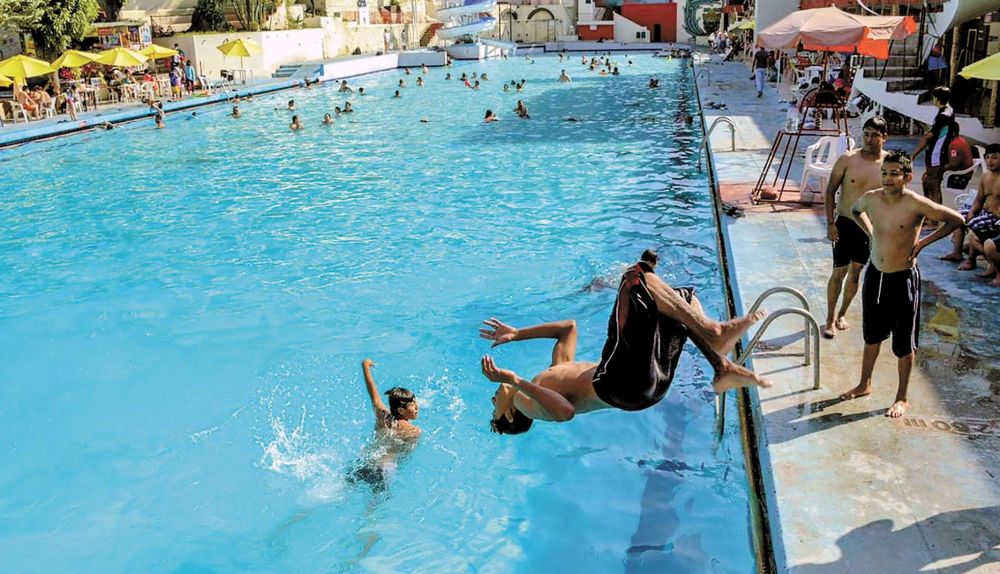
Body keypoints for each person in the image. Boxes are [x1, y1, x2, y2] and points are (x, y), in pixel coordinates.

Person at [481, 250, 770, 435]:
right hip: (618, 384)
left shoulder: (552, 375)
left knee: (680, 301)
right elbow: (565, 412)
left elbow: (568, 329)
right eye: (495, 408)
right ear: (509, 415)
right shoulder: (524, 403)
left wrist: (516, 334)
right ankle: (713, 334)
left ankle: (720, 365)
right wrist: (513, 380)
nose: (494, 400)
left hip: (641, 386)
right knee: (635, 278)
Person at [843, 150, 963, 417]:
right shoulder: (871, 199)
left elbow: (957, 220)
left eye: (894, 174)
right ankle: (864, 384)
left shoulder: (915, 203)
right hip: (876, 275)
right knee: (872, 335)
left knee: (904, 342)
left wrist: (923, 243)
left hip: (903, 278)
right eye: (884, 173)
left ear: (907, 177)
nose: (888, 178)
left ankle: (902, 397)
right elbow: (855, 210)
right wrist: (870, 233)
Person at [822, 117, 889, 339]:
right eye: (866, 134)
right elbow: (830, 191)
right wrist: (830, 223)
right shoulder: (847, 160)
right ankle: (829, 318)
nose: (869, 139)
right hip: (845, 222)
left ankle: (842, 313)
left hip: (870, 227)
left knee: (856, 271)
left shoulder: (888, 165)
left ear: (884, 138)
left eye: (875, 135)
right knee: (838, 271)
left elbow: (894, 197)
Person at [347, 359, 420, 493]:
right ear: (401, 410)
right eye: (412, 404)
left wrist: (365, 366)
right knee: (375, 502)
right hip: (384, 468)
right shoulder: (413, 431)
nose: (417, 407)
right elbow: (405, 454)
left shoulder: (382, 416)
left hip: (365, 462)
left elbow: (373, 393)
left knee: (343, 489)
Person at [952, 144, 1000, 281]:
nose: (990, 161)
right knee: (957, 217)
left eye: (994, 158)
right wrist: (972, 212)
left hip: (996, 217)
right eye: (987, 158)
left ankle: (975, 260)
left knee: (975, 227)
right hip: (985, 212)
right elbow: (979, 199)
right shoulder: (985, 176)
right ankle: (956, 252)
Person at [911, 86, 954, 206]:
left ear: (937, 98)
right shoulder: (949, 110)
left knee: (933, 184)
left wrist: (913, 155)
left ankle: (935, 214)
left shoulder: (943, 115)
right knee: (926, 180)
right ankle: (930, 209)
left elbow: (928, 137)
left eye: (933, 97)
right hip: (936, 152)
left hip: (936, 154)